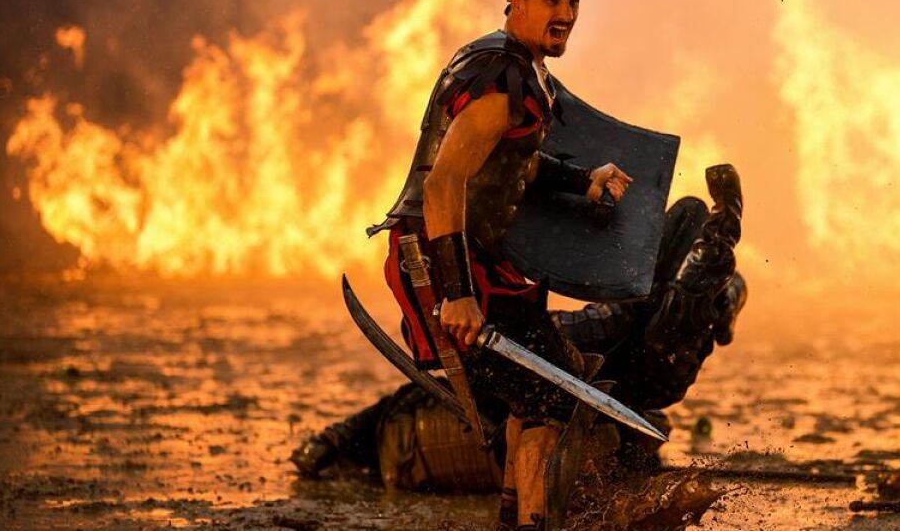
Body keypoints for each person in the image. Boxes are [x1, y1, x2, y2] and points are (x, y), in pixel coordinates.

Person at [293, 166, 746, 511]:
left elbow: (369, 416)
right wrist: (328, 444)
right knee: (647, 347)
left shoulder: (399, 414)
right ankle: (704, 278)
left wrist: (324, 446)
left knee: (660, 291)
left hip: (538, 380)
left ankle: (700, 277)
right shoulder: (399, 437)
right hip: (532, 402)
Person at [361, 0, 632, 530]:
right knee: (547, 397)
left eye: (574, 2)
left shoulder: (515, 67)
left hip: (482, 261)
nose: (566, 14)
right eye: (552, 0)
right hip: (442, 262)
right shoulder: (499, 76)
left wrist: (583, 180)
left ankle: (515, 515)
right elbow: (445, 183)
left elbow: (513, 161)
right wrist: (457, 294)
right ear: (517, 2)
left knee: (542, 391)